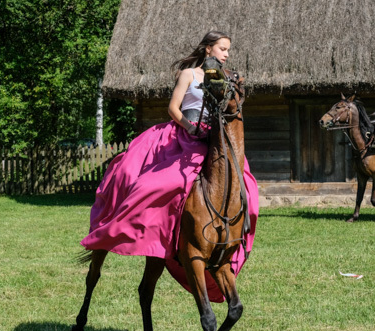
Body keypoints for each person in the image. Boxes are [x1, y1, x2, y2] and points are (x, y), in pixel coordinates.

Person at [80, 31, 259, 303]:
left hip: (213, 142)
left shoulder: (223, 79)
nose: (226, 54)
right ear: (209, 49)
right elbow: (173, 109)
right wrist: (190, 127)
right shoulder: (188, 74)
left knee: (246, 183)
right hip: (185, 136)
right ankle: (144, 229)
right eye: (222, 48)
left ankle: (234, 237)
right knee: (164, 183)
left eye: (228, 50)